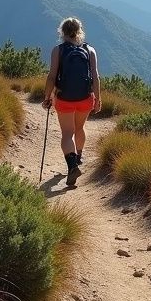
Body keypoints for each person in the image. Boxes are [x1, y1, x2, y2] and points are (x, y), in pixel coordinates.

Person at [42, 17, 102, 188]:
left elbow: (52, 76)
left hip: (64, 98)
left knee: (67, 134)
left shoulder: (58, 50)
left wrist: (47, 97)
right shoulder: (89, 50)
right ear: (79, 31)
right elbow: (96, 76)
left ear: (62, 32)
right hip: (85, 98)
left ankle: (72, 166)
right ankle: (78, 156)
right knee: (79, 127)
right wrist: (98, 99)